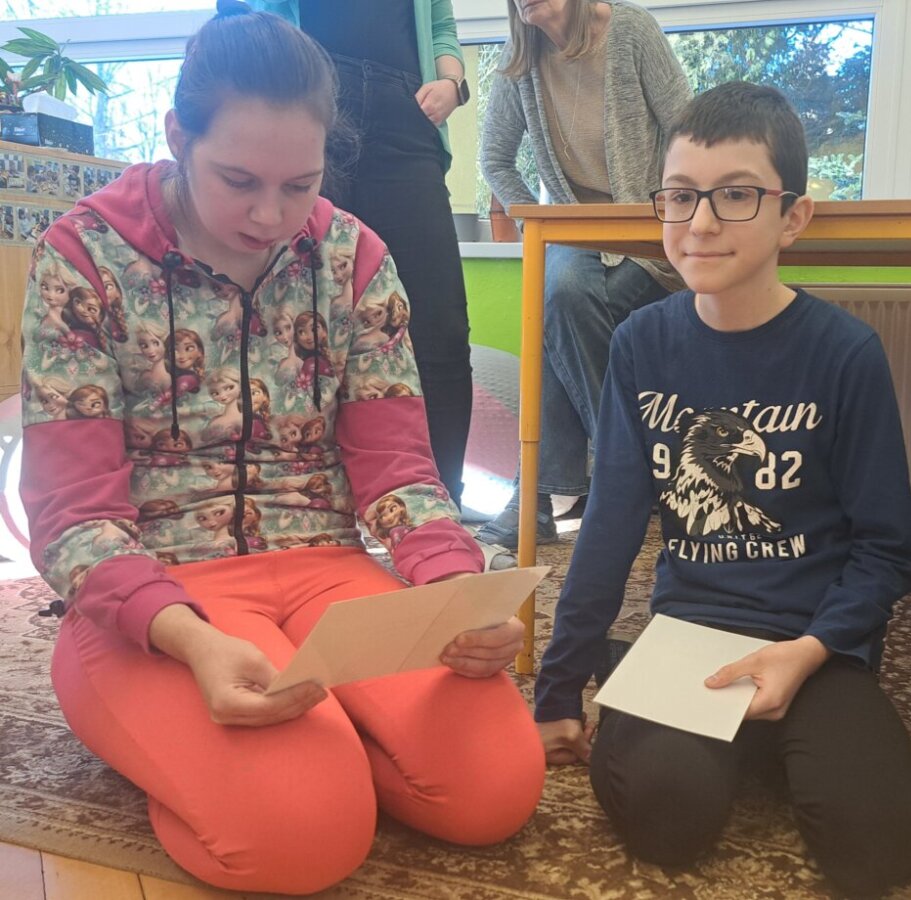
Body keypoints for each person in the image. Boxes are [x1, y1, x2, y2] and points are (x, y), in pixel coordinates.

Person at [18, 4, 544, 894]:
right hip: (158, 598)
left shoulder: (352, 256)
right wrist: (189, 642)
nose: (271, 215)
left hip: (327, 572)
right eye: (238, 180)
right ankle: (246, 752)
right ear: (177, 137)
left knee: (495, 790)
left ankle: (320, 745)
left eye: (300, 184)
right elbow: (73, 517)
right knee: (302, 838)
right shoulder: (84, 257)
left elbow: (399, 472)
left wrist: (454, 590)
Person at [532, 81, 911, 897]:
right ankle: (647, 692)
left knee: (877, 853)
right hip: (690, 639)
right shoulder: (641, 344)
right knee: (666, 821)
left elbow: (889, 548)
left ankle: (768, 736)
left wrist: (811, 652)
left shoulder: (844, 353)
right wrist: (557, 685)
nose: (701, 222)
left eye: (736, 195)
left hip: (814, 643)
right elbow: (608, 526)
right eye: (680, 196)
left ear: (793, 216)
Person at [477, 0, 692, 548]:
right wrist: (537, 221)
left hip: (649, 235)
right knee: (562, 291)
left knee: (558, 301)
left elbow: (688, 133)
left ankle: (538, 497)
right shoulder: (519, 60)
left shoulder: (630, 30)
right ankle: (633, 472)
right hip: (575, 234)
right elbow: (494, 160)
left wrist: (675, 213)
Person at [255, 0, 473, 510]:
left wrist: (452, 84)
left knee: (440, 329)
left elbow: (440, 24)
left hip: (407, 118)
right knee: (299, 319)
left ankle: (441, 508)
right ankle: (305, 504)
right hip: (315, 103)